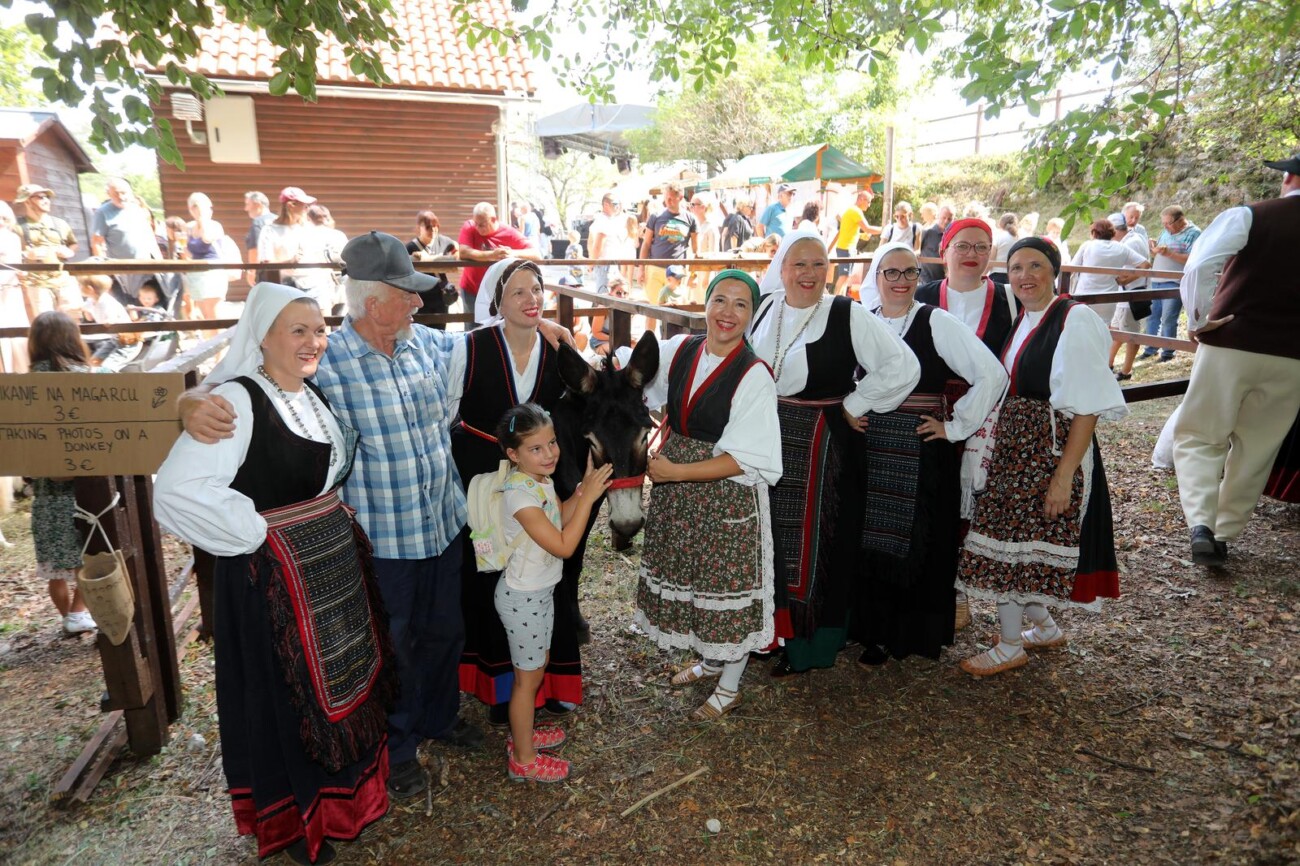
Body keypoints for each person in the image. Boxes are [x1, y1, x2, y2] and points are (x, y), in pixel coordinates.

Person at [180, 233, 572, 802]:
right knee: (395, 644)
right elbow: (246, 378)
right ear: (371, 301)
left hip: (442, 524)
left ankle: (439, 717)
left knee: (446, 630)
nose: (418, 302)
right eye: (406, 294)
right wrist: (190, 401)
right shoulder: (326, 359)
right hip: (384, 538)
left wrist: (545, 325)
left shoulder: (426, 345)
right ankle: (400, 746)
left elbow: (491, 337)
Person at [156, 282, 396, 865]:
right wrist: (255, 531)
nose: (313, 341)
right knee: (288, 700)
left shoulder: (308, 392)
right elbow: (177, 491)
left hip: (327, 568)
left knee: (341, 682)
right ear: (261, 337)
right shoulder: (236, 403)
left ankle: (344, 802)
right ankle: (301, 820)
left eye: (319, 330)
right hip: (273, 583)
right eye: (297, 331)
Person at [750, 229, 920, 675]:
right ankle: (771, 636)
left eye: (819, 264)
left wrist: (855, 403)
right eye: (799, 264)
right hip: (768, 438)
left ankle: (810, 648)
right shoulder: (765, 307)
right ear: (782, 268)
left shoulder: (847, 313)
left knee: (819, 545)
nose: (809, 273)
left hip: (824, 446)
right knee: (770, 539)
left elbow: (903, 365)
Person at [956, 238, 1126, 676]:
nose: (1024, 276)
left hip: (1048, 454)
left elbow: (1087, 407)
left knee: (1012, 547)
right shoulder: (1026, 317)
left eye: (1035, 266)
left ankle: (1010, 645)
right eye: (1016, 268)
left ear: (1055, 271)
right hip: (1016, 453)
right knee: (1013, 546)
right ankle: (1045, 628)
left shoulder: (1075, 319)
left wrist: (1063, 476)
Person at [637, 269, 782, 719]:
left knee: (727, 585)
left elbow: (745, 459)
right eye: (720, 300)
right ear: (705, 304)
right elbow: (637, 379)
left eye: (741, 304)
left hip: (725, 494)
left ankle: (730, 686)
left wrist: (677, 472)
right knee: (697, 578)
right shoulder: (682, 349)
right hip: (680, 491)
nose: (727, 313)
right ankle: (710, 660)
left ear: (752, 315)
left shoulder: (754, 375)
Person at [853, 243, 1006, 666]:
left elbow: (992, 374)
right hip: (871, 447)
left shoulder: (935, 321)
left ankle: (905, 634)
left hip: (920, 446)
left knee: (915, 541)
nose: (901, 281)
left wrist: (954, 427)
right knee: (868, 537)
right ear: (876, 277)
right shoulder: (863, 321)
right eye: (891, 272)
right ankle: (870, 631)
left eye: (910, 272)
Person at [455, 259, 590, 730]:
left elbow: (587, 393)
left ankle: (551, 681)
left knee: (544, 575)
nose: (532, 300)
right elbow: (447, 411)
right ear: (497, 301)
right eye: (518, 292)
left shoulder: (557, 347)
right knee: (491, 571)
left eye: (537, 289)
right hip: (482, 474)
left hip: (538, 473)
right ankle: (501, 690)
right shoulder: (471, 348)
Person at [1172, 154, 1300, 566]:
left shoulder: (1250, 215)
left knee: (1200, 435)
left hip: (1232, 342)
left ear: (1289, 177)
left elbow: (1200, 264)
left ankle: (1201, 526)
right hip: (1293, 357)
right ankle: (1225, 534)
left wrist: (1199, 320)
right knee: (1258, 447)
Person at [489, 403, 612, 782]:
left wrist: (580, 491)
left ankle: (522, 734)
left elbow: (560, 514)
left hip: (538, 594)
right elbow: (563, 545)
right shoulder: (519, 496)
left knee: (537, 667)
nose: (550, 453)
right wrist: (588, 500)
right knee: (526, 682)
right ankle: (523, 759)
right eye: (536, 448)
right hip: (522, 599)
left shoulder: (539, 481)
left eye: (552, 442)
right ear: (513, 455)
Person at [915, 217, 1018, 632]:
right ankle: (946, 588)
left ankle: (970, 585)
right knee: (939, 498)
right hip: (932, 410)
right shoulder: (922, 295)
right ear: (945, 252)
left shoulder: (1009, 298)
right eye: (962, 246)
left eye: (981, 247)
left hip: (989, 410)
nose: (971, 254)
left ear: (991, 254)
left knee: (981, 500)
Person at [26, 312, 98, 635]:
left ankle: (68, 615)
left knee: (54, 566)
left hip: (46, 493)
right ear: (73, 340)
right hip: (86, 489)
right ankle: (79, 612)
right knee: (89, 554)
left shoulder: (23, 385)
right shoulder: (88, 378)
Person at [1140, 205, 1201, 362]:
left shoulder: (1194, 233)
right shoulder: (1166, 231)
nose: (1165, 226)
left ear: (1180, 220)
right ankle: (1150, 348)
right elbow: (1161, 252)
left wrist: (1170, 254)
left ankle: (1168, 352)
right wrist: (1154, 248)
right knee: (1152, 317)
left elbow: (1193, 259)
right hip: (1156, 281)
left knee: (1168, 318)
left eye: (1168, 223)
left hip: (1175, 282)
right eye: (1163, 223)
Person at [459, 202, 538, 320]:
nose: (478, 228)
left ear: (493, 219)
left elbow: (536, 254)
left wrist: (512, 253)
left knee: (498, 327)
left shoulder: (509, 232)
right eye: (476, 224)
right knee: (473, 327)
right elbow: (463, 252)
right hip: (472, 289)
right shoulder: (469, 226)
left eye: (482, 224)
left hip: (497, 293)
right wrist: (492, 255)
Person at [90, 177, 163, 301]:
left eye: (123, 193)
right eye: (116, 194)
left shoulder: (138, 210)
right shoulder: (102, 213)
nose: (121, 197)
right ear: (109, 194)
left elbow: (150, 237)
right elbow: (96, 243)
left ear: (130, 192)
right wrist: (104, 272)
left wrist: (160, 262)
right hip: (122, 273)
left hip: (147, 268)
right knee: (129, 306)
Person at [1068, 217, 1148, 327]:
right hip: (1108, 299)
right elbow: (1145, 265)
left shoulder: (1088, 245)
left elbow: (1071, 269)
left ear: (1094, 232)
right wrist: (1126, 280)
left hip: (1085, 295)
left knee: (1081, 327)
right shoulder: (1121, 247)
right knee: (1102, 329)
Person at [14, 184, 79, 315]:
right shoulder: (17, 227)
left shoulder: (60, 224)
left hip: (65, 281)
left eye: (47, 197)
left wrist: (69, 252)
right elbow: (8, 252)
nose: (46, 200)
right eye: (40, 197)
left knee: (73, 319)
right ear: (27, 201)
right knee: (46, 322)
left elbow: (73, 244)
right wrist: (25, 255)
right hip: (37, 285)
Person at [638, 182, 697, 306]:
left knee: (676, 308)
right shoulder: (655, 216)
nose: (668, 201)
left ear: (680, 197)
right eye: (666, 198)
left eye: (671, 198)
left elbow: (695, 249)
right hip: (655, 267)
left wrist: (693, 274)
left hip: (677, 270)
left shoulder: (690, 218)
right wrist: (641, 269)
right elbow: (646, 243)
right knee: (654, 308)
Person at [1109, 213, 1152, 380]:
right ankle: (1108, 364)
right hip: (1124, 295)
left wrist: (1124, 280)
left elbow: (1145, 266)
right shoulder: (1132, 238)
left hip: (1130, 295)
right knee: (1117, 330)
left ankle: (1126, 371)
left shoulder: (1132, 242)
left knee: (1130, 335)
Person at [257, 187, 316, 291]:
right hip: (284, 286)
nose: (307, 208)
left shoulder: (308, 228)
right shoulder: (269, 230)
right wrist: (290, 262)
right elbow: (267, 263)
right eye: (304, 205)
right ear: (291, 205)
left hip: (312, 285)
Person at [405, 209, 458, 323]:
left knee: (440, 329)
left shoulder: (444, 241)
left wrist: (434, 258)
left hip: (441, 296)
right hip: (421, 298)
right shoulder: (410, 248)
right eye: (428, 227)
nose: (433, 230)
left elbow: (457, 252)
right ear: (419, 228)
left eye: (436, 226)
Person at [183, 192, 229, 320]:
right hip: (196, 272)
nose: (196, 210)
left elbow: (207, 238)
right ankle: (208, 334)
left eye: (199, 207)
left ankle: (218, 334)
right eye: (193, 207)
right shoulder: (189, 227)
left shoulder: (215, 225)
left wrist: (202, 219)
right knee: (203, 315)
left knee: (212, 313)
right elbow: (188, 251)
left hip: (212, 272)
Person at [78, 274, 136, 370]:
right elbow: (89, 317)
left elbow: (111, 318)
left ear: (90, 289)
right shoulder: (91, 300)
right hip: (114, 339)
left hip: (127, 340)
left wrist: (109, 320)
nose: (79, 287)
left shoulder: (107, 302)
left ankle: (108, 376)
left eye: (80, 285)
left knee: (107, 367)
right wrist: (84, 311)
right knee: (93, 363)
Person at [296, 204, 347, 311]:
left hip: (312, 285)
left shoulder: (302, 235)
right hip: (339, 285)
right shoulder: (338, 235)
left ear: (308, 218)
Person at [832, 189, 880, 295]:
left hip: (847, 247)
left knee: (846, 277)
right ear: (862, 199)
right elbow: (867, 228)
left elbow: (849, 231)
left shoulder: (851, 210)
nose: (869, 205)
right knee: (844, 276)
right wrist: (884, 229)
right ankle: (836, 299)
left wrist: (862, 235)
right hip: (846, 248)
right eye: (868, 202)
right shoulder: (855, 211)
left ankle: (840, 298)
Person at [0, 202, 30, 373]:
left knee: (17, 330)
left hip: (11, 288)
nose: (1, 222)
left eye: (4, 218)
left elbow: (16, 264)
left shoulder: (13, 238)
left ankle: (21, 371)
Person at [587, 192, 629, 293]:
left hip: (609, 264)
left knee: (610, 294)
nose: (618, 206)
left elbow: (590, 242)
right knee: (604, 295)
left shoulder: (606, 220)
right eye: (615, 204)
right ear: (606, 204)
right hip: (605, 264)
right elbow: (598, 244)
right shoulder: (603, 220)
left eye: (618, 203)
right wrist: (591, 263)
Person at [243, 191, 274, 284]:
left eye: (248, 204)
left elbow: (255, 249)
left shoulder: (258, 222)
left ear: (258, 204)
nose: (246, 209)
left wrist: (252, 271)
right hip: (280, 269)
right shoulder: (278, 219)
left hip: (264, 272)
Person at [917, 201, 948, 283]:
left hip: (943, 278)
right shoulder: (924, 229)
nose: (922, 216)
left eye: (923, 213)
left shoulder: (944, 230)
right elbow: (918, 250)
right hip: (926, 278)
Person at [989, 212, 1019, 283]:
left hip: (997, 276)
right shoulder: (1018, 239)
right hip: (1013, 276)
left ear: (1001, 223)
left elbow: (991, 260)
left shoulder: (998, 237)